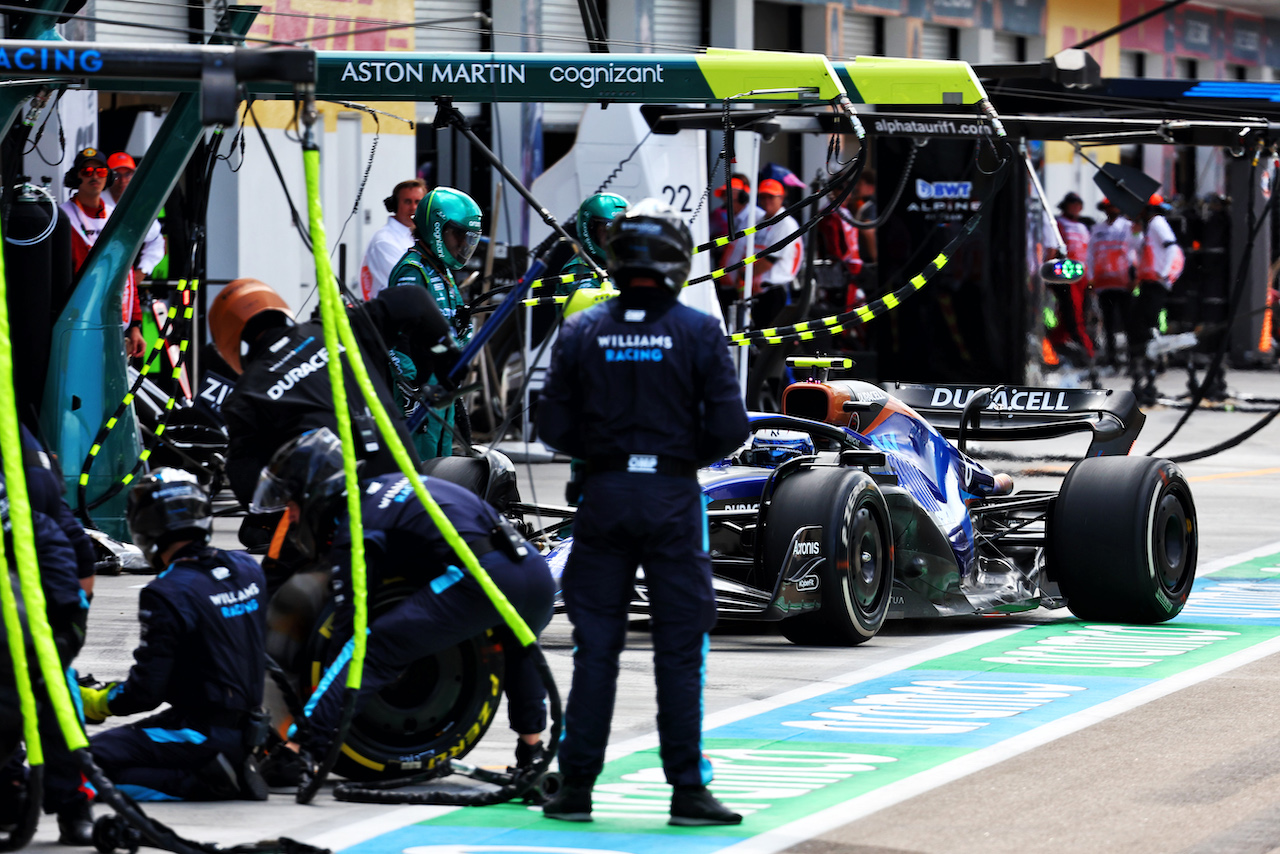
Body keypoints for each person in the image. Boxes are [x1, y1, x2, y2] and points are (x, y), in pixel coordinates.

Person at [536, 199, 750, 826]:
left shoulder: (583, 328)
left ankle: (575, 789)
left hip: (601, 498)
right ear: (677, 261)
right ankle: (687, 792)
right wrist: (676, 458)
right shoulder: (697, 330)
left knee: (594, 648)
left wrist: (607, 456)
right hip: (673, 499)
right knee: (680, 649)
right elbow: (731, 428)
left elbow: (551, 427)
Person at [248, 428, 555, 785]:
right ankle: (531, 752)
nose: (293, 515)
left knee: (373, 647)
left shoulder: (357, 521)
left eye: (292, 505)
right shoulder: (394, 483)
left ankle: (301, 754)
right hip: (534, 574)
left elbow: (351, 633)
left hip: (483, 577)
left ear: (314, 491)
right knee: (519, 651)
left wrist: (307, 728)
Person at [78, 468, 269, 802]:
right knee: (123, 750)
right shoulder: (247, 568)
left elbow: (144, 692)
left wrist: (96, 702)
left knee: (79, 765)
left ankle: (207, 779)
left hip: (199, 730)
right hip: (251, 726)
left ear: (146, 527)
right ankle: (220, 768)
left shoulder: (167, 592)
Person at [210, 277, 459, 507]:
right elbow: (412, 299)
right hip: (407, 490)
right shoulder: (336, 330)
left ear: (226, 343)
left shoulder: (245, 397)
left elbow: (248, 489)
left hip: (341, 518)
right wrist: (448, 355)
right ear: (279, 308)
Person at [0, 428, 97, 844]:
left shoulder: (31, 488)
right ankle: (12, 795)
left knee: (56, 697)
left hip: (37, 617)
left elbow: (75, 553)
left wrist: (64, 639)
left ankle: (72, 805)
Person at [387, 187, 483, 460]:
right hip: (420, 384)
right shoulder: (413, 269)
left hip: (443, 379)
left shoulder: (443, 271)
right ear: (436, 229)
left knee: (441, 460)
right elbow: (395, 335)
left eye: (468, 239)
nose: (463, 245)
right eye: (458, 236)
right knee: (420, 459)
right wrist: (410, 385)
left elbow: (453, 327)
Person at [59, 148, 145, 360]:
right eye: (87, 171)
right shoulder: (62, 217)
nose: (95, 176)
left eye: (101, 171)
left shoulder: (117, 216)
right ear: (75, 177)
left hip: (114, 323)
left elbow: (127, 273)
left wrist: (135, 325)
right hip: (76, 323)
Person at [1128, 193, 1185, 404]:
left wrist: (1163, 272)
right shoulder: (1147, 227)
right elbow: (1136, 248)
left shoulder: (1157, 223)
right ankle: (1149, 361)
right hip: (1148, 281)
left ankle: (1156, 362)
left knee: (1149, 321)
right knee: (1142, 321)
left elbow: (1171, 246)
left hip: (1155, 281)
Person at [724, 178, 802, 328]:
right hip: (756, 290)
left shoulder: (785, 223)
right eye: (762, 196)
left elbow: (769, 261)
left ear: (781, 198)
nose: (766, 201)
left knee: (769, 338)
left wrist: (742, 278)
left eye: (771, 197)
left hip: (774, 290)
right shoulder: (760, 220)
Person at [1085, 198, 1134, 368]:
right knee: (1108, 323)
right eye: (1108, 207)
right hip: (1103, 284)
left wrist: (1134, 277)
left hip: (1124, 283)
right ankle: (1112, 358)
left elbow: (1135, 251)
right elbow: (1090, 255)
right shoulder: (1097, 229)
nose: (1111, 209)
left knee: (1129, 321)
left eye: (1114, 206)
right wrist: (1090, 279)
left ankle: (1132, 357)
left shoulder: (1128, 227)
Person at [360, 179, 426, 301]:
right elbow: (408, 286)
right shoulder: (384, 241)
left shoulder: (420, 237)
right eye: (407, 202)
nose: (413, 207)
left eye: (418, 202)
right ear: (394, 206)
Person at [106, 152, 165, 287]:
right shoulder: (97, 202)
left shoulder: (138, 207)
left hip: (124, 282)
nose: (122, 180)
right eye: (116, 175)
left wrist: (142, 271)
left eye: (127, 174)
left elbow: (156, 241)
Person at [1046, 191, 1093, 360]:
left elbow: (1089, 253)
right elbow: (1052, 249)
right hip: (1065, 276)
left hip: (1083, 277)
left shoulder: (1083, 227)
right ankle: (1087, 353)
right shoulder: (1058, 224)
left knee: (1079, 315)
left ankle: (1058, 344)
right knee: (1073, 315)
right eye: (1072, 204)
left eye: (1077, 205)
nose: (1075, 208)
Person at [559, 192, 628, 293]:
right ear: (590, 231)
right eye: (607, 230)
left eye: (621, 231)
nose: (615, 238)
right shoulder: (579, 269)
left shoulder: (630, 263)